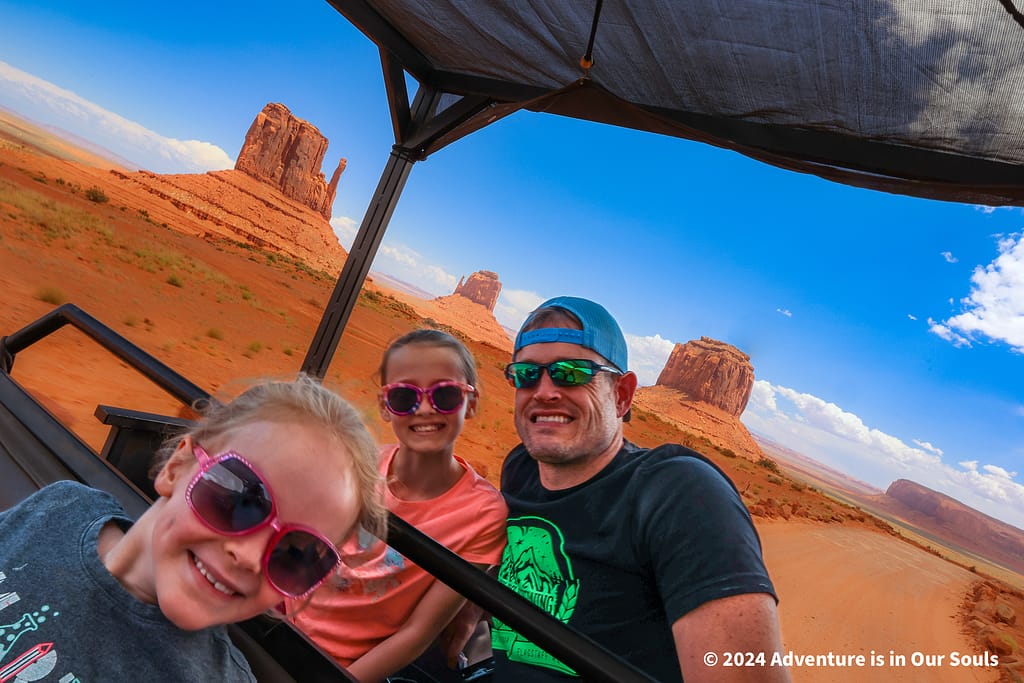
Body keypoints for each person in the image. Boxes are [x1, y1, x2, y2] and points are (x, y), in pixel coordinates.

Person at [0, 374, 386, 681]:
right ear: (176, 467)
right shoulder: (62, 506)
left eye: (296, 555)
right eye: (240, 499)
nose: (249, 556)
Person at [491, 296, 790, 683]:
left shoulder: (680, 494)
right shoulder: (521, 468)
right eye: (526, 374)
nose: (543, 391)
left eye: (571, 373)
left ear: (622, 395)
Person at [293, 329, 508, 683]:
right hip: (276, 623)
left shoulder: (482, 515)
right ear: (384, 405)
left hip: (342, 668)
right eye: (404, 396)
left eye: (445, 394)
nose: (424, 408)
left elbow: (417, 633)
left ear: (470, 403)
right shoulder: (362, 464)